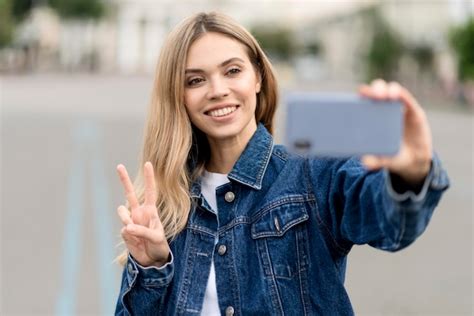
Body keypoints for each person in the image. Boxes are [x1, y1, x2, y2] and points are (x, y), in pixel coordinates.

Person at [114, 12, 449, 316]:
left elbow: (390, 222)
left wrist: (411, 172)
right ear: (178, 95)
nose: (217, 90)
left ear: (257, 77)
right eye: (195, 80)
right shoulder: (167, 206)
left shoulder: (311, 174)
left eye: (232, 71)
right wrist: (151, 266)